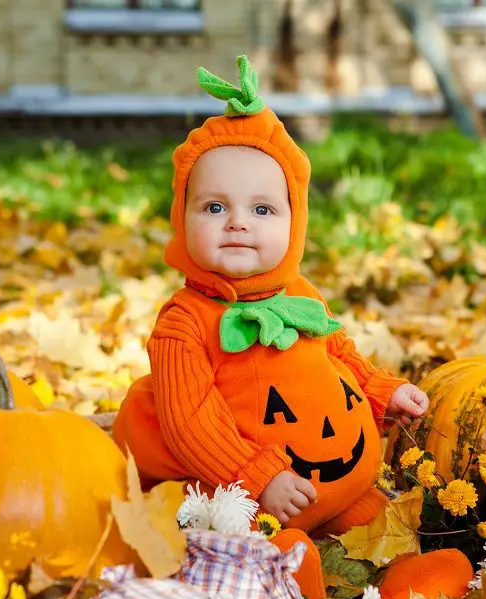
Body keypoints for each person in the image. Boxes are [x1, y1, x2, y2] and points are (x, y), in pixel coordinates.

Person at [112, 55, 428, 536]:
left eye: (262, 209)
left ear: (293, 223)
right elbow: (192, 423)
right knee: (279, 563)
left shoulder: (300, 293)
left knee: (395, 537)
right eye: (215, 206)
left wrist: (381, 392)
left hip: (344, 485)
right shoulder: (184, 323)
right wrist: (256, 477)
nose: (238, 222)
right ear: (181, 218)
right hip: (252, 504)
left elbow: (339, 353)